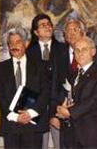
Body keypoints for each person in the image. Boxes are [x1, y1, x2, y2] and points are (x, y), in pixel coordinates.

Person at [0, 27, 50, 148]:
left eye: (18, 42)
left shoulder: (40, 65)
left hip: (33, 124)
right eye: (11, 43)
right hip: (11, 125)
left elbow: (45, 92)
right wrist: (15, 116)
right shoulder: (0, 68)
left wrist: (30, 113)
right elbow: (0, 95)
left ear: (26, 43)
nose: (14, 46)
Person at [56, 37, 97, 148]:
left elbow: (95, 100)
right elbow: (64, 97)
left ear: (93, 51)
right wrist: (60, 108)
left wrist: (69, 112)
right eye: (77, 50)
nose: (80, 53)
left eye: (84, 49)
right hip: (71, 135)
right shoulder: (71, 75)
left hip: (92, 136)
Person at [27, 14, 67, 149]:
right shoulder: (28, 53)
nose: (47, 26)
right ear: (36, 32)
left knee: (63, 144)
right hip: (37, 108)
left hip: (59, 107)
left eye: (49, 24)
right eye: (43, 25)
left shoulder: (63, 49)